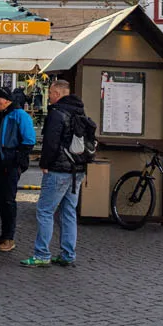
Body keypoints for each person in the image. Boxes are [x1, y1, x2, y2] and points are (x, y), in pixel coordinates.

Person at [22, 79, 96, 268]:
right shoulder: (80, 111)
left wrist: (45, 164)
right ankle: (68, 254)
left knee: (45, 211)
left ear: (59, 94)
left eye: (52, 93)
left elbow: (51, 142)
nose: (50, 97)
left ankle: (42, 254)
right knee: (68, 212)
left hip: (59, 170)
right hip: (77, 169)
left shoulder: (58, 113)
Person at [0, 87, 36, 252]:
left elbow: (29, 140)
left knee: (8, 200)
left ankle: (9, 237)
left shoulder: (19, 115)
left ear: (7, 100)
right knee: (1, 199)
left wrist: (16, 161)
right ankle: (4, 235)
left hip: (9, 164)